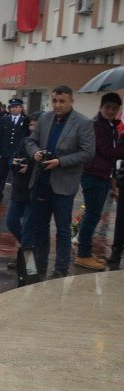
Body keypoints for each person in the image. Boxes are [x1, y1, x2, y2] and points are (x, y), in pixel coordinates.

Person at [23, 85, 96, 277]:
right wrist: (35, 153)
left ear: (71, 101)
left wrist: (61, 162)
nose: (57, 105)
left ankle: (60, 270)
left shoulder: (83, 122)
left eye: (62, 101)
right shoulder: (45, 118)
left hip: (63, 184)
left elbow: (88, 152)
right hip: (41, 181)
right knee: (39, 228)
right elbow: (30, 141)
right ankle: (39, 268)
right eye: (55, 100)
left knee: (63, 230)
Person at [74, 93, 124, 269]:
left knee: (93, 215)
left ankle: (86, 251)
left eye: (115, 108)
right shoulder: (97, 127)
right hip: (93, 175)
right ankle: (83, 254)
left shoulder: (110, 126)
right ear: (101, 107)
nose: (111, 111)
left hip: (102, 175)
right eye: (108, 107)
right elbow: (108, 152)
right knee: (92, 215)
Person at [5, 114, 39, 263]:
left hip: (32, 193)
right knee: (11, 222)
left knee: (27, 229)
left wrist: (29, 168)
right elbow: (12, 159)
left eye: (35, 125)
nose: (32, 128)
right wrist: (15, 163)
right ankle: (28, 252)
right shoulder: (25, 141)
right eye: (31, 125)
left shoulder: (44, 143)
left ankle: (28, 264)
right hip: (18, 190)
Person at [0, 97, 29, 203]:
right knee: (2, 175)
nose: (14, 109)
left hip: (18, 154)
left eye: (16, 107)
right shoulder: (4, 119)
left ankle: (16, 196)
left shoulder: (25, 120)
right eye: (12, 107)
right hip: (5, 152)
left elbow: (26, 137)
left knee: (17, 176)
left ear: (21, 108)